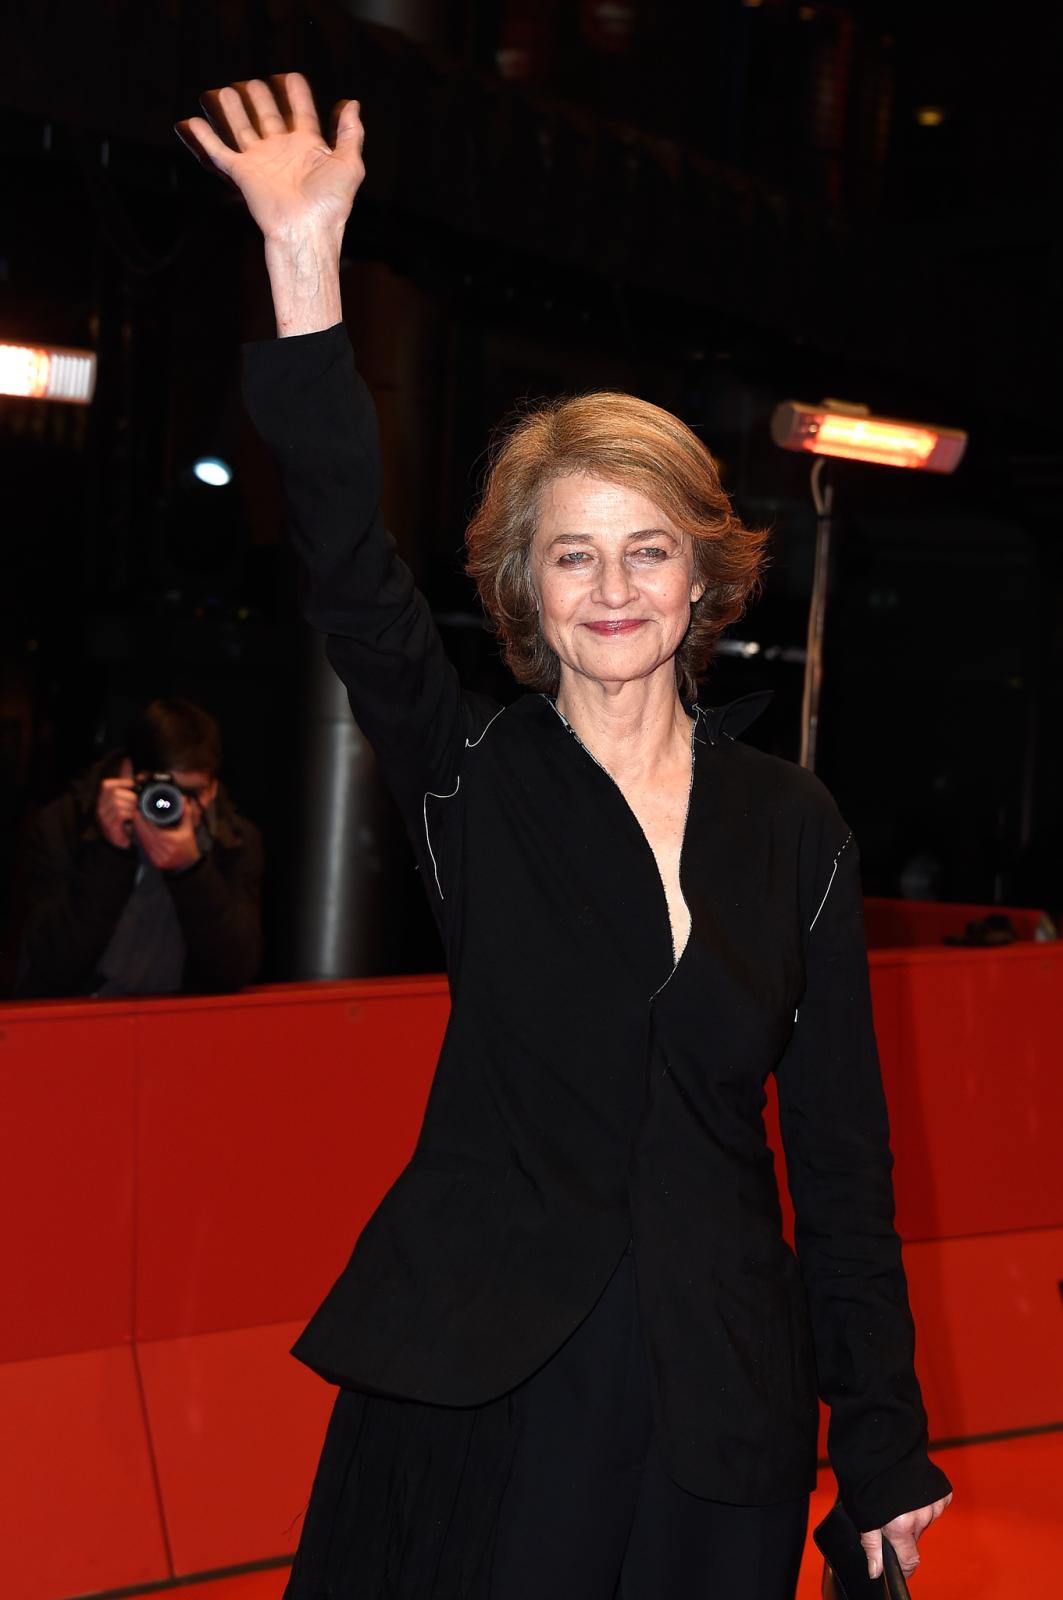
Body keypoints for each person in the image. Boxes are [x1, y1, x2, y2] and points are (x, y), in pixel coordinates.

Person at [178, 75, 951, 1600]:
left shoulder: (789, 827)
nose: (610, 591)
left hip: (714, 1411)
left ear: (700, 578)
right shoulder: (475, 776)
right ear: (523, 587)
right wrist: (303, 260)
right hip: (489, 1391)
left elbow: (841, 1164)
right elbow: (344, 567)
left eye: (644, 552)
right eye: (571, 557)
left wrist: (878, 1442)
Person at [16, 696, 262, 997]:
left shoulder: (232, 841)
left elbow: (234, 970)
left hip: (178, 1018)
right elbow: (51, 964)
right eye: (165, 792)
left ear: (213, 788)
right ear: (128, 772)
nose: (179, 807)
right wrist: (110, 851)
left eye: (194, 793)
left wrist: (191, 870)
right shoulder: (65, 825)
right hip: (78, 1015)